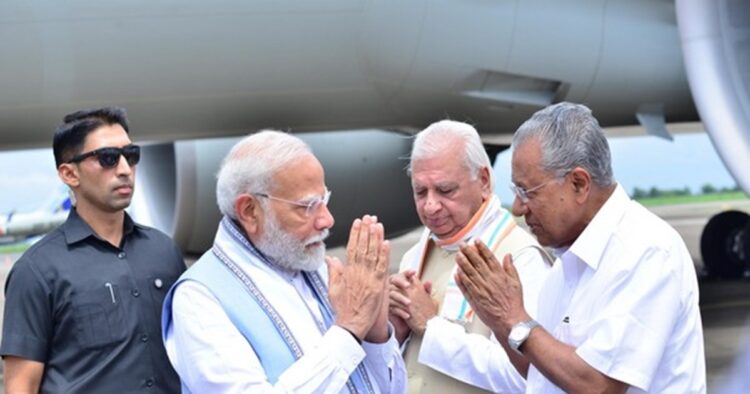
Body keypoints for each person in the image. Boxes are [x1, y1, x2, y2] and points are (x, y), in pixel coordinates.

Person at [455, 102, 706, 393]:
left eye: (527, 192)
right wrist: (500, 323)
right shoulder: (566, 264)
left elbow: (600, 385)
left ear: (578, 183)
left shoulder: (646, 250)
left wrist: (514, 319)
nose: (519, 208)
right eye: (515, 192)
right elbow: (543, 375)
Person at [161, 130, 407, 393]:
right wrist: (349, 328)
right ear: (249, 211)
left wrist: (376, 334)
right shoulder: (199, 299)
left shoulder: (315, 266)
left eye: (325, 200)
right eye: (307, 206)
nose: (327, 220)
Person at [1, 107, 186, 393]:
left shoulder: (164, 251)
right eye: (108, 158)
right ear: (69, 174)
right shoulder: (36, 270)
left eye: (131, 155)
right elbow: (21, 385)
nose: (125, 169)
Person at [389, 120, 551, 393]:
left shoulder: (521, 258)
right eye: (420, 191)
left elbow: (531, 378)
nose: (430, 205)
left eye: (445, 190)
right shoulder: (414, 257)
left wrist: (431, 327)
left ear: (484, 181)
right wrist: (391, 334)